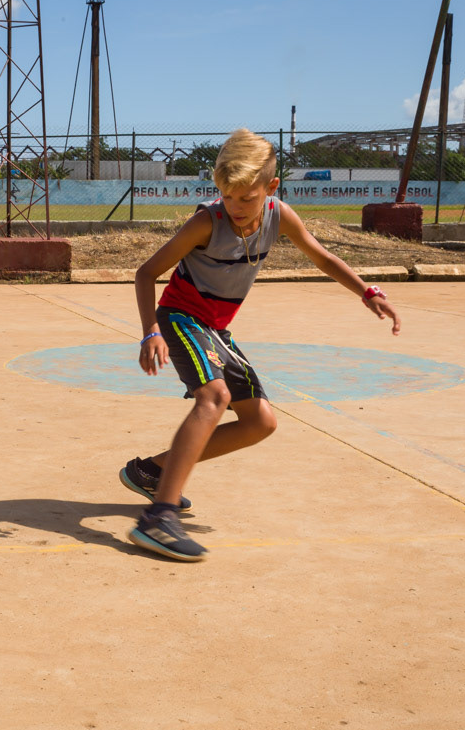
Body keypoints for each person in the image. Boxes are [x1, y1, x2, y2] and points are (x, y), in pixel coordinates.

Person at [121, 128, 401, 562]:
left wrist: (367, 292)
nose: (235, 207)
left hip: (216, 329)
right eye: (227, 196)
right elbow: (145, 273)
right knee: (214, 397)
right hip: (179, 317)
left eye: (245, 198)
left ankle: (154, 471)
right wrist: (150, 331)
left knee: (261, 423)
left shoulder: (280, 216)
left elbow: (322, 257)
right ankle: (159, 517)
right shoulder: (206, 222)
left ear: (271, 188)